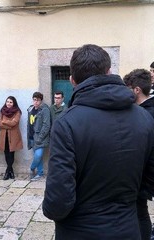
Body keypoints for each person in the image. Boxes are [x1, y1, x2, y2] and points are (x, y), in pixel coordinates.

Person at [42, 44, 154, 240]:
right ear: (109, 72)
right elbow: (150, 180)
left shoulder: (66, 124)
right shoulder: (144, 118)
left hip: (79, 231)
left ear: (72, 81)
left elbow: (57, 203)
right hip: (129, 227)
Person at [124, 68, 154, 240]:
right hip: (144, 172)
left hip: (144, 173)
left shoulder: (145, 113)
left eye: (128, 88)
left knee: (140, 211)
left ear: (136, 90)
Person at [0, 96, 23, 180]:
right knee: (6, 153)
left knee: (11, 154)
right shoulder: (2, 110)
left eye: (10, 102)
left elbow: (14, 123)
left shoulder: (17, 112)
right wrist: (8, 124)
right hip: (4, 136)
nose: (8, 103)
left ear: (14, 103)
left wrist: (4, 122)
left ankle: (7, 171)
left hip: (13, 136)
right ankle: (10, 171)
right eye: (7, 101)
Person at [27, 91, 51, 181]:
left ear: (41, 100)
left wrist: (40, 138)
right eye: (34, 100)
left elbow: (46, 125)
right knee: (39, 157)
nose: (36, 102)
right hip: (31, 137)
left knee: (38, 155)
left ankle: (32, 168)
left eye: (38, 100)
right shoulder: (30, 109)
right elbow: (29, 124)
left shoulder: (45, 110)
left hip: (40, 138)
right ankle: (40, 173)